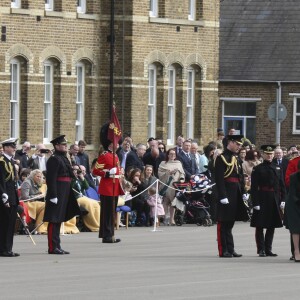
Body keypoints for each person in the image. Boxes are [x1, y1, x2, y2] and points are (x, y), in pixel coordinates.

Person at [43, 135, 80, 254]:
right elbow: (51, 178)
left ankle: (57, 245)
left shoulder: (64, 158)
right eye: (63, 145)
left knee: (59, 219)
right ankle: (52, 247)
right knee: (54, 219)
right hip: (57, 191)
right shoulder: (54, 159)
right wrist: (53, 194)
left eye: (66, 145)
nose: (65, 146)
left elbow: (69, 174)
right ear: (57, 146)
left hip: (64, 190)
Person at [214, 134, 249, 258]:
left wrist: (244, 192)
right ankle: (223, 250)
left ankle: (231, 248)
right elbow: (219, 179)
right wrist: (222, 195)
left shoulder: (236, 158)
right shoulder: (221, 158)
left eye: (240, 145)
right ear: (230, 142)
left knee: (230, 223)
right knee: (223, 223)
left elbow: (240, 177)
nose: (239, 147)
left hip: (235, 193)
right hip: (226, 193)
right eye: (237, 144)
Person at [250, 145, 285, 257]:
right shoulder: (258, 168)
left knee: (271, 225)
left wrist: (283, 199)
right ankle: (261, 249)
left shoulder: (277, 168)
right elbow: (254, 187)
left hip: (274, 198)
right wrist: (255, 202)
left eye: (271, 154)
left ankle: (268, 248)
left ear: (273, 155)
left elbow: (282, 185)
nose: (269, 156)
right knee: (260, 225)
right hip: (262, 198)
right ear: (263, 154)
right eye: (267, 154)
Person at [93, 123, 124, 243]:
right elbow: (95, 170)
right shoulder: (104, 155)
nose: (117, 144)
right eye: (115, 142)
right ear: (110, 143)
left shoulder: (115, 155)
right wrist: (106, 173)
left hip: (115, 186)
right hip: (107, 187)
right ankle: (106, 235)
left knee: (112, 212)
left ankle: (111, 234)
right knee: (107, 212)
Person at [0, 138, 20, 257]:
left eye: (14, 146)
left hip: (12, 196)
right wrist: (4, 197)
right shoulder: (2, 161)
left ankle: (8, 248)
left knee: (10, 224)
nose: (14, 149)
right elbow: (1, 181)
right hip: (5, 196)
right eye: (12, 146)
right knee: (5, 224)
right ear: (6, 147)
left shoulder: (11, 161)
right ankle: (4, 249)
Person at [158, 148, 185, 226]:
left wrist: (182, 179)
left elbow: (182, 173)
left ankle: (172, 219)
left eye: (174, 154)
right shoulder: (163, 163)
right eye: (171, 154)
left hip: (175, 185)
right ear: (168, 155)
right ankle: (166, 217)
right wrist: (169, 172)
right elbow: (160, 174)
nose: (172, 155)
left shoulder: (178, 163)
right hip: (166, 185)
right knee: (166, 202)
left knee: (173, 203)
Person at [71, 165, 100, 232]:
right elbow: (71, 188)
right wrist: (74, 177)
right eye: (74, 170)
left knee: (96, 204)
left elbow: (87, 187)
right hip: (76, 198)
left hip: (83, 197)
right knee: (88, 204)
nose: (76, 171)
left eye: (78, 170)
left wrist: (82, 178)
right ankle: (91, 225)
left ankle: (97, 224)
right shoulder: (71, 179)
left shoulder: (79, 178)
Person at [20, 169, 47, 234]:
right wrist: (37, 196)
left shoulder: (37, 183)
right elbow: (25, 197)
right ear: (33, 176)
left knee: (46, 205)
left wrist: (39, 194)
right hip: (25, 203)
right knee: (44, 205)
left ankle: (39, 227)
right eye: (37, 176)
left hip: (33, 202)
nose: (39, 178)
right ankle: (38, 227)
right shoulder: (27, 182)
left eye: (40, 177)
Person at [285, 171, 300, 262]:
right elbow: (292, 193)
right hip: (294, 204)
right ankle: (296, 251)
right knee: (296, 229)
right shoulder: (294, 177)